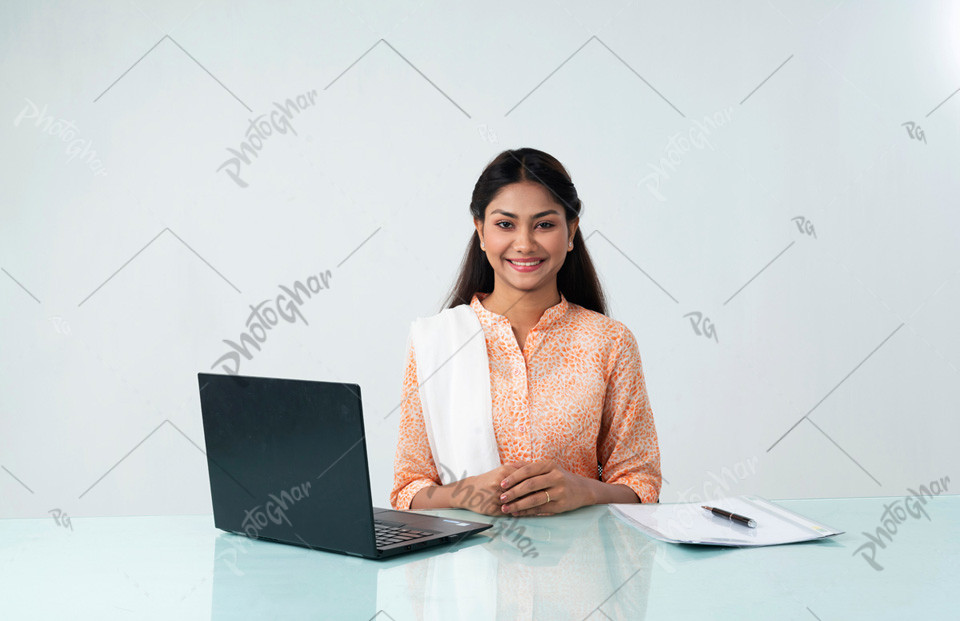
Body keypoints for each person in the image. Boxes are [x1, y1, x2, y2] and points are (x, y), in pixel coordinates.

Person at [390, 148, 661, 518]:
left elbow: (641, 484)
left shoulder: (609, 342)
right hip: (467, 565)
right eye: (505, 224)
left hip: (581, 568)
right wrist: (464, 494)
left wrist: (584, 490)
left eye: (544, 224)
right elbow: (409, 488)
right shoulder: (437, 343)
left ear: (571, 232)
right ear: (480, 232)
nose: (524, 244)